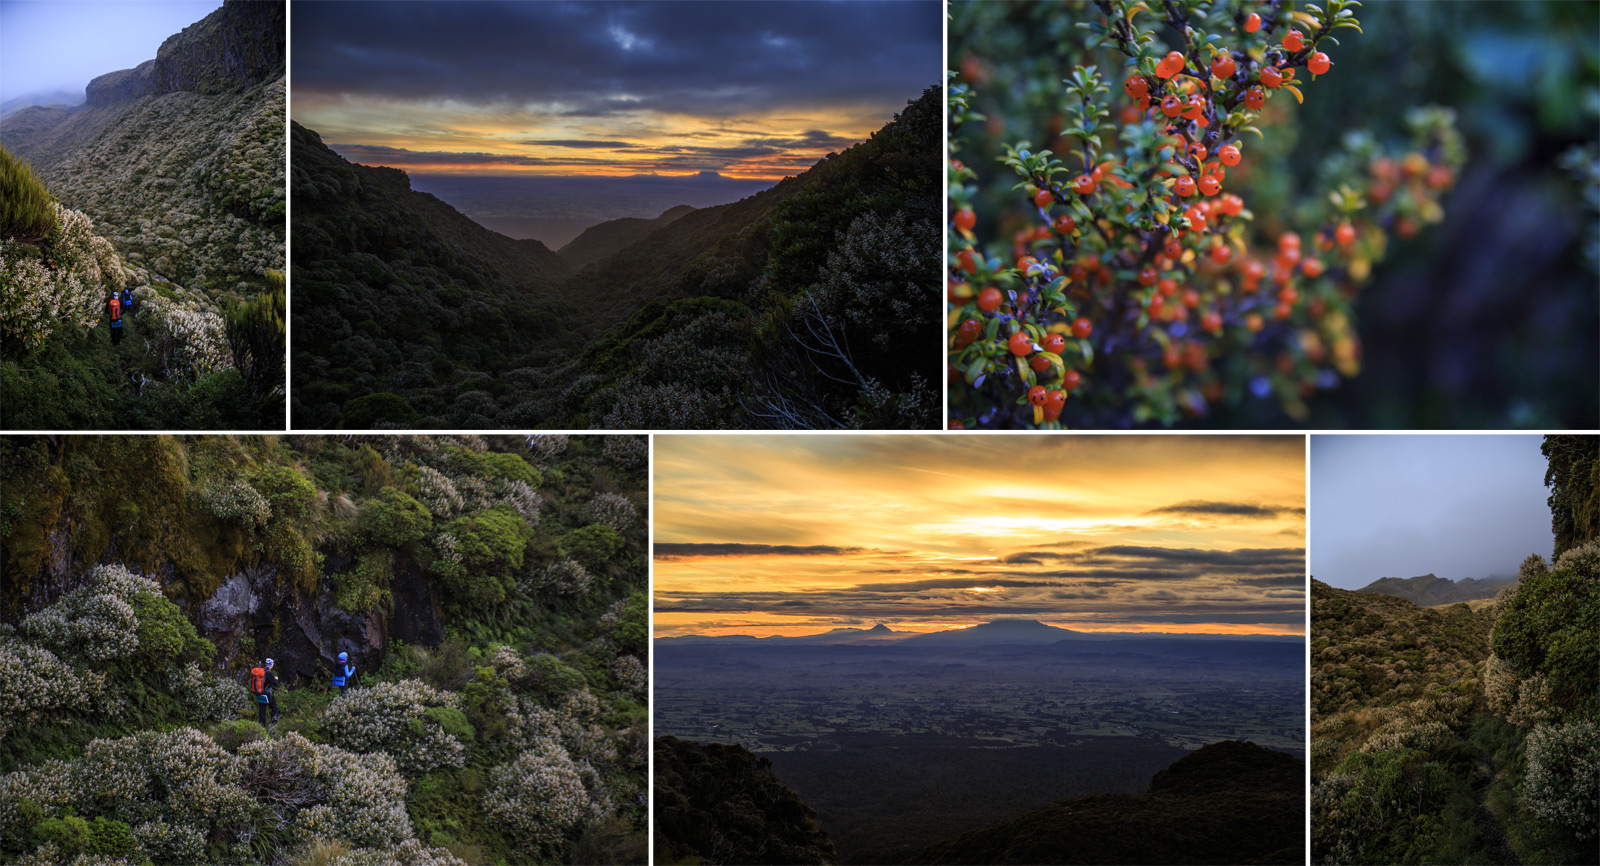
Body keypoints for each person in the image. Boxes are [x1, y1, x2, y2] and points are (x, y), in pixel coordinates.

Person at [254, 658, 281, 726]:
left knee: (262, 711)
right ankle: (273, 725)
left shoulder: (262, 672)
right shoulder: (269, 673)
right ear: (271, 665)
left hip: (259, 693)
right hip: (267, 694)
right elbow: (275, 684)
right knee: (274, 708)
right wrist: (276, 679)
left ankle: (261, 727)